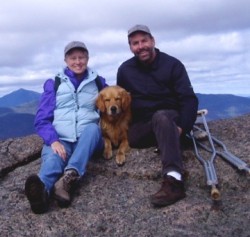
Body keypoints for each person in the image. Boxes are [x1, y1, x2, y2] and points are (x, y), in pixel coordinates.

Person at [117, 25, 199, 207]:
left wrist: (182, 127)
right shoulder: (125, 70)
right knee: (131, 137)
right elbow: (121, 102)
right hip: (143, 125)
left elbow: (188, 100)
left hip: (168, 117)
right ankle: (167, 139)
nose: (140, 46)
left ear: (152, 41)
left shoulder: (173, 65)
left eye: (144, 41)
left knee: (162, 118)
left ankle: (174, 180)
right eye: (135, 43)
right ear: (131, 47)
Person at [25, 41, 107, 214]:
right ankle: (41, 193)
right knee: (54, 160)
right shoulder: (54, 83)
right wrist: (53, 140)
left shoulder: (98, 82)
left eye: (81, 57)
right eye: (73, 58)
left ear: (87, 58)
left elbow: (115, 104)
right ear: (66, 60)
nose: (78, 62)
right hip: (61, 138)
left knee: (93, 129)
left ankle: (68, 178)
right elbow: (42, 119)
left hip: (88, 140)